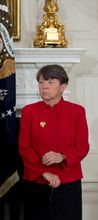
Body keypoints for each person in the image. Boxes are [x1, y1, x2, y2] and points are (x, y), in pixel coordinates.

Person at [19, 64, 89, 220]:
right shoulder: (29, 111)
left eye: (50, 82)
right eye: (41, 82)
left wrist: (62, 156)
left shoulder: (77, 111)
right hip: (37, 182)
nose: (44, 86)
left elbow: (83, 146)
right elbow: (25, 147)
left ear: (63, 87)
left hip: (68, 183)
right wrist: (44, 172)